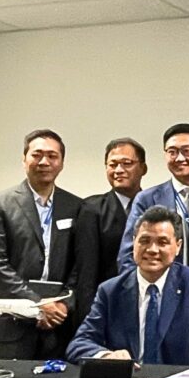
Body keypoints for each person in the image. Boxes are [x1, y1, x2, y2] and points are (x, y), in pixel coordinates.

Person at [0, 129, 83, 359]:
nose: (44, 161)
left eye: (52, 156)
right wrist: (36, 304)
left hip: (58, 324)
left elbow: (80, 264)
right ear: (24, 159)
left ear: (61, 163)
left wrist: (64, 304)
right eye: (37, 155)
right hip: (10, 323)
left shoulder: (75, 206)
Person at [67, 206, 189, 366]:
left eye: (162, 242)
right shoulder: (110, 291)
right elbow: (78, 344)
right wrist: (106, 356)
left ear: (178, 246)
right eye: (144, 241)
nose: (152, 250)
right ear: (134, 242)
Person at [74, 138, 147, 329]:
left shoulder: (155, 207)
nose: (118, 170)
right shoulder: (92, 209)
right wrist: (89, 322)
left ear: (143, 168)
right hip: (108, 307)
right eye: (112, 165)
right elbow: (87, 273)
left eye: (126, 163)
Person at [118, 123, 189, 270]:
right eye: (172, 152)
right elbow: (128, 256)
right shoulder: (146, 199)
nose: (179, 158)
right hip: (161, 282)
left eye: (187, 151)